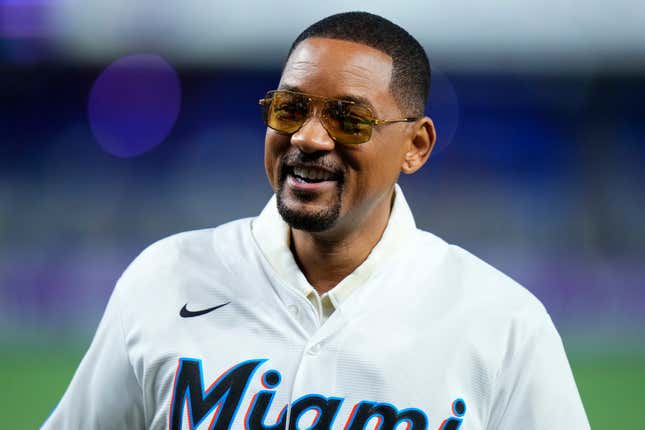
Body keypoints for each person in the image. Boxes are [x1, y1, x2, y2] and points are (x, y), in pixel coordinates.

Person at [43, 11, 590, 430]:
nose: (307, 137)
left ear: (415, 146)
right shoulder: (165, 277)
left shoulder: (503, 323)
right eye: (290, 108)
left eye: (349, 118)